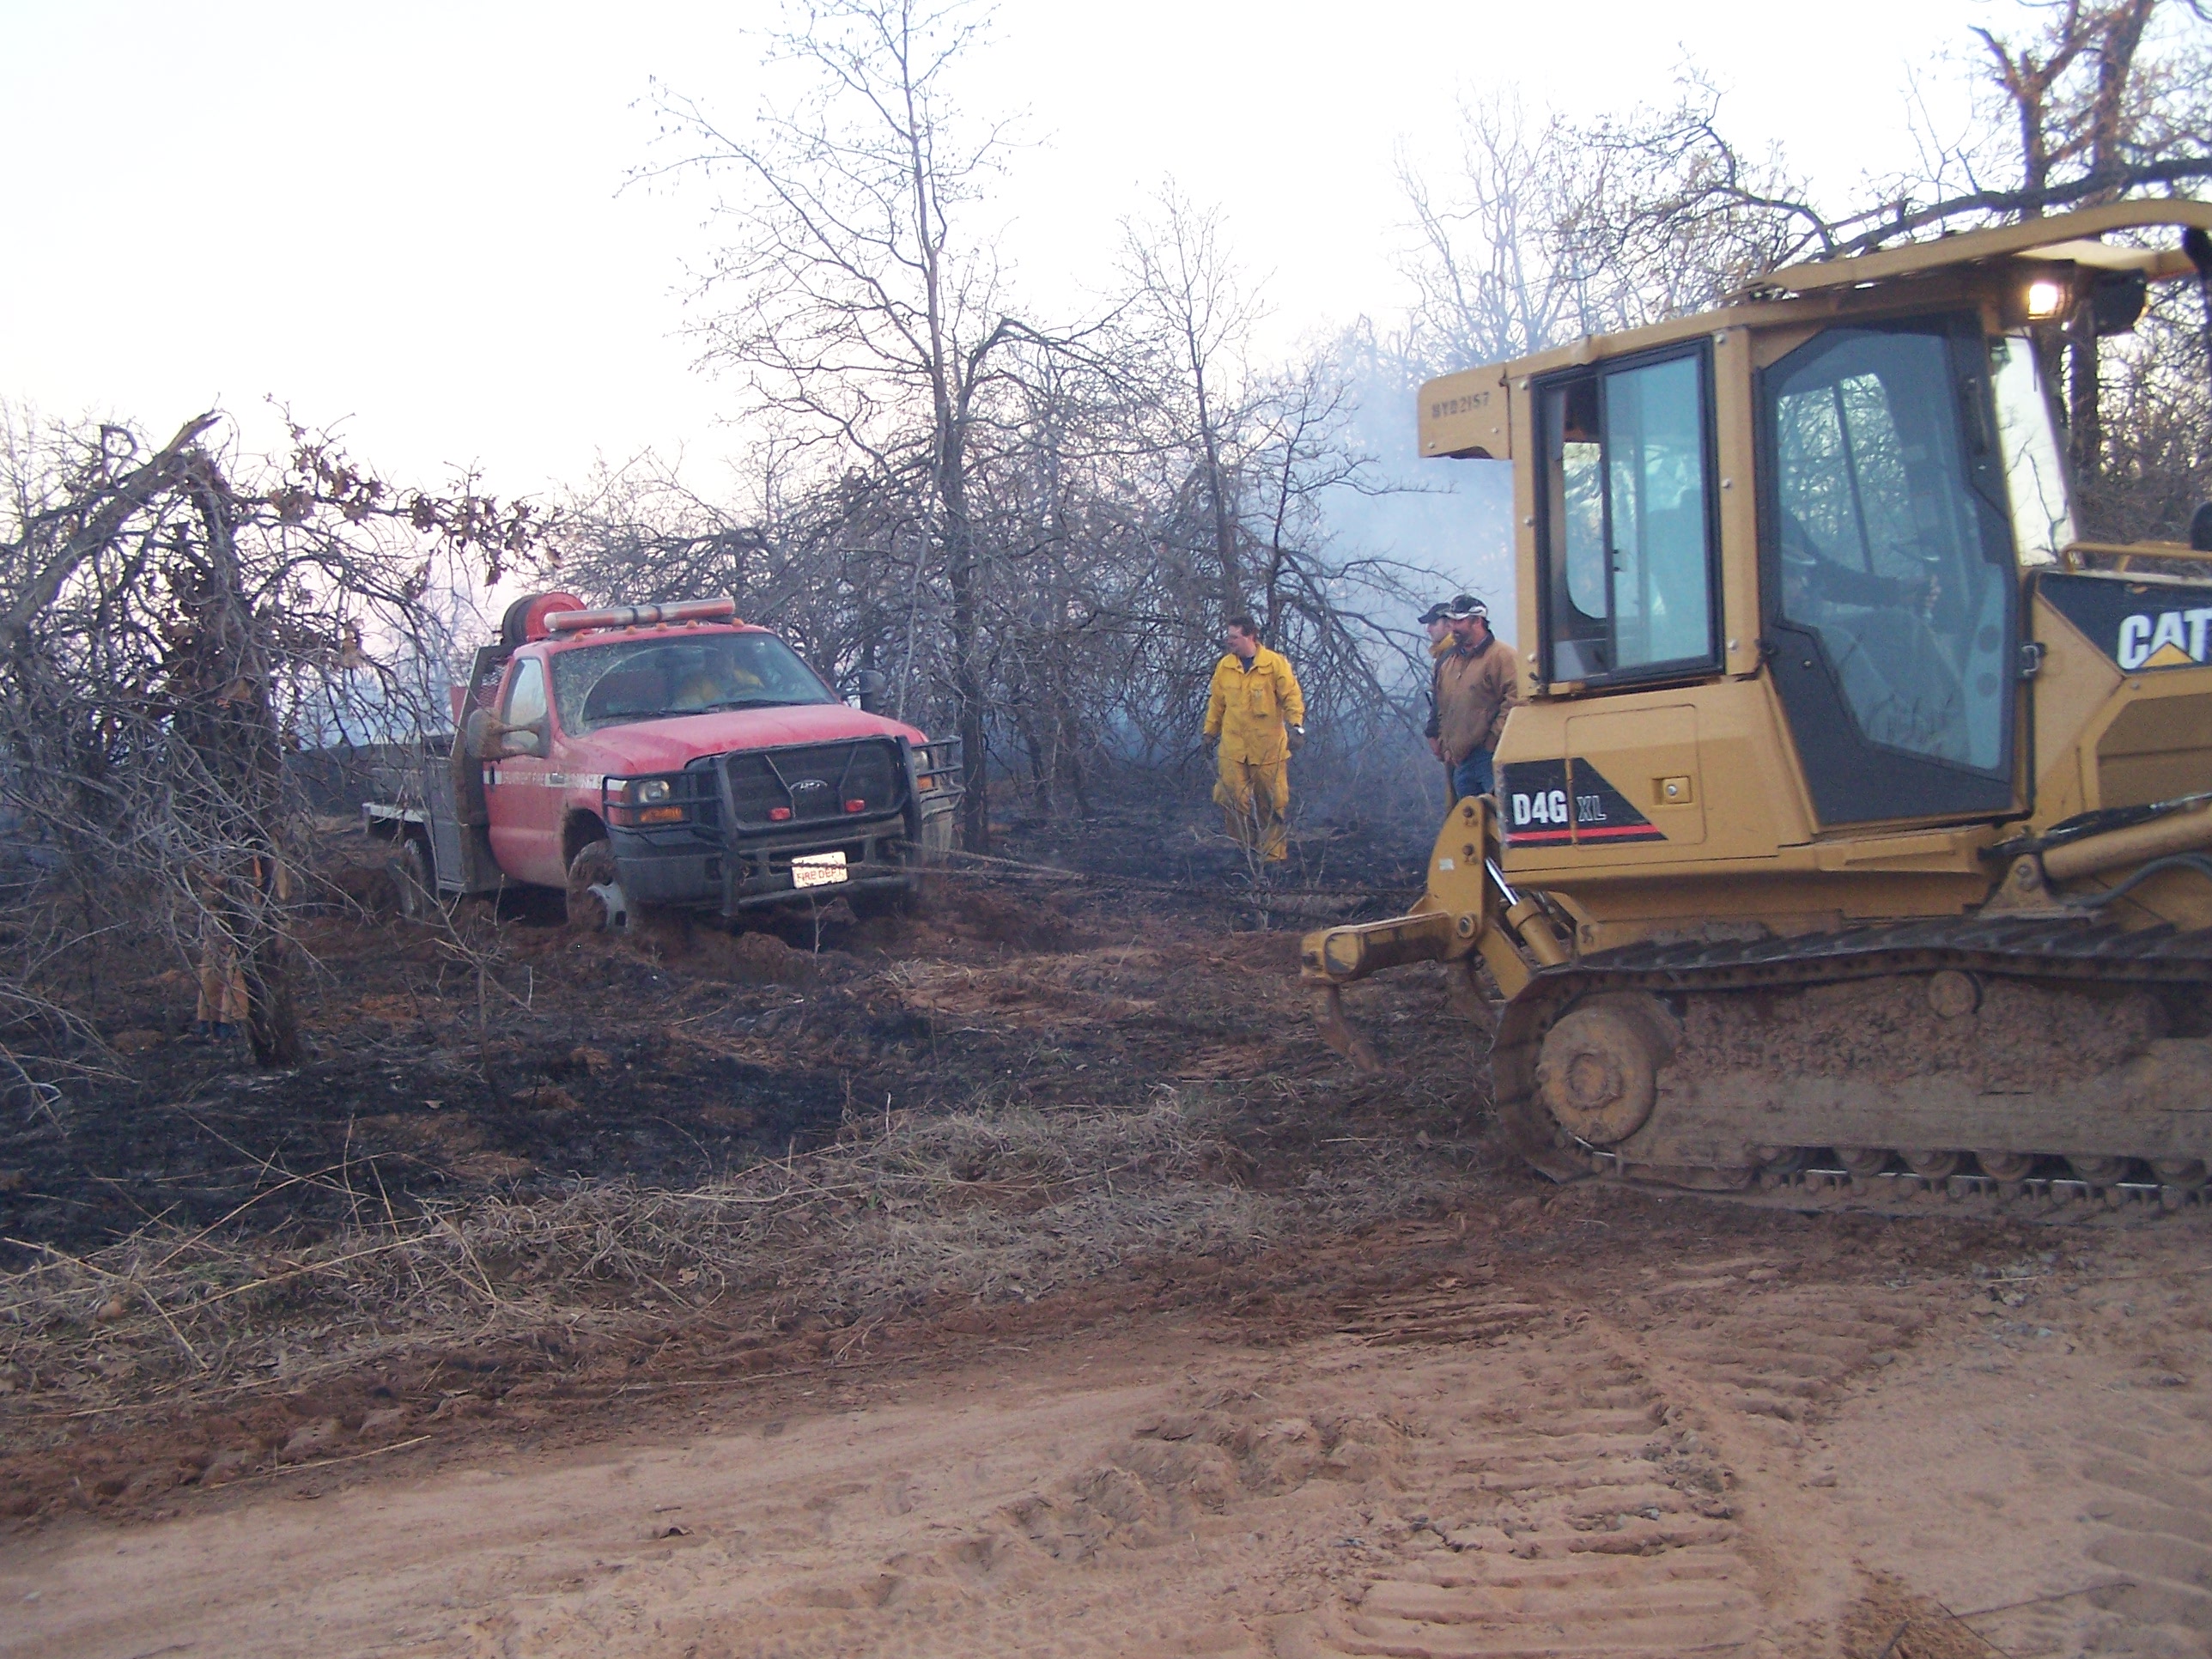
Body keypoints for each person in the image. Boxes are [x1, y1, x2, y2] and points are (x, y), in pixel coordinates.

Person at [1203, 617, 1305, 863]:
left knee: (1271, 802)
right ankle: (1245, 851)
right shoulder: (1225, 667)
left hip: (1267, 748)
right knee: (1228, 797)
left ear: (1250, 636)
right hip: (1233, 747)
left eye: (1234, 637)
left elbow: (1292, 696)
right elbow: (1217, 703)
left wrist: (1297, 727)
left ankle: (1272, 857)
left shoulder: (1274, 664)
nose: (1229, 642)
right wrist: (1209, 733)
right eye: (1229, 637)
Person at [1425, 595, 1522, 800]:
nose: (1453, 627)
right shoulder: (1448, 662)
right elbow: (1442, 707)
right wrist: (1446, 745)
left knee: (1499, 821)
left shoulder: (1502, 656)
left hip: (1491, 759)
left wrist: (1492, 741)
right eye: (1451, 621)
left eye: (1459, 621)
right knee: (1469, 826)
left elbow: (1516, 699)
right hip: (1461, 763)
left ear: (1477, 621)